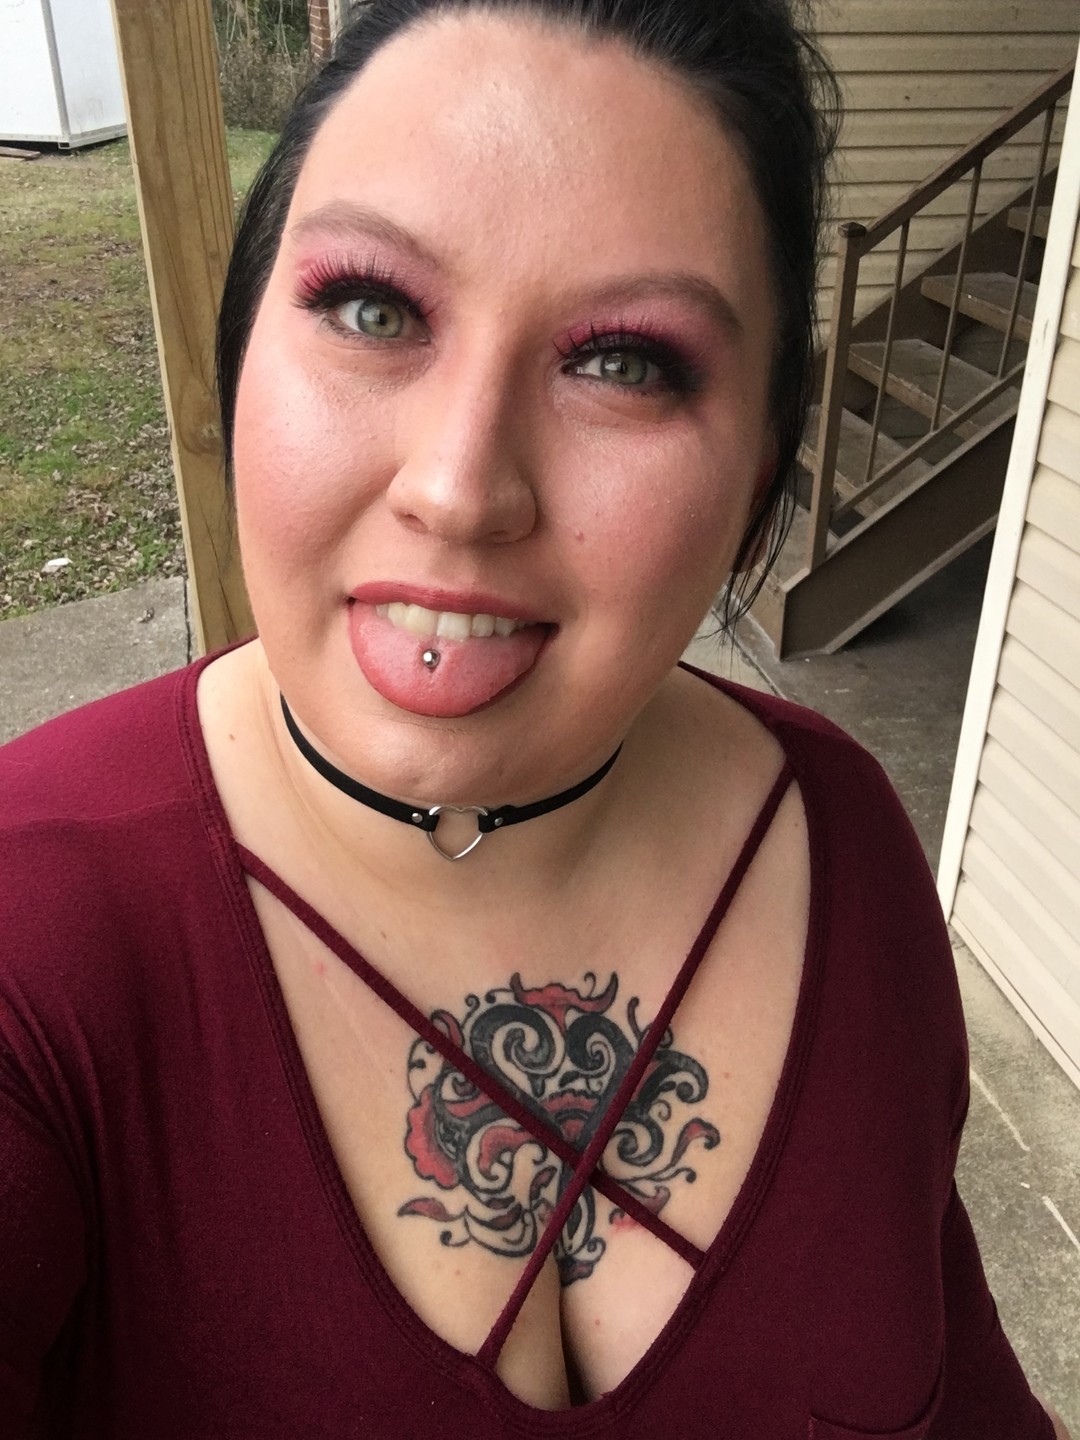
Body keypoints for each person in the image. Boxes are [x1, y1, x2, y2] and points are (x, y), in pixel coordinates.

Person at [0, 0, 1072, 1434]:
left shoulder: (846, 841)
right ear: (241, 351)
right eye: (373, 308)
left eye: (623, 360)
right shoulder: (29, 924)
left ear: (761, 472)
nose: (459, 489)